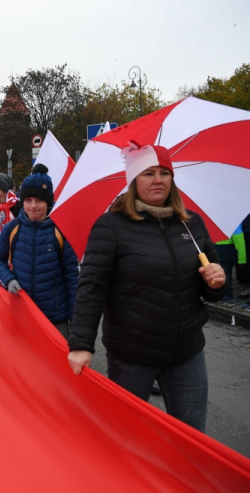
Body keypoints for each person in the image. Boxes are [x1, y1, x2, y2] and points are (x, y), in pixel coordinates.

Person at [67, 143, 226, 432]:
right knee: (127, 438)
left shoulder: (191, 224)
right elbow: (92, 288)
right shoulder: (110, 226)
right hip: (132, 358)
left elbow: (211, 289)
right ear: (133, 180)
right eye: (148, 173)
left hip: (186, 353)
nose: (158, 180)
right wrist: (80, 344)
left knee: (192, 439)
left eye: (165, 173)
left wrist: (217, 281)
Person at [0, 164, 79, 338]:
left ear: (49, 202)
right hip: (22, 311)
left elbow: (72, 277)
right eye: (28, 200)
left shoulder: (61, 230)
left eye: (39, 200)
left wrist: (75, 317)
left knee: (57, 364)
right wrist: (8, 280)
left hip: (55, 316)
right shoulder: (12, 228)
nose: (33, 206)